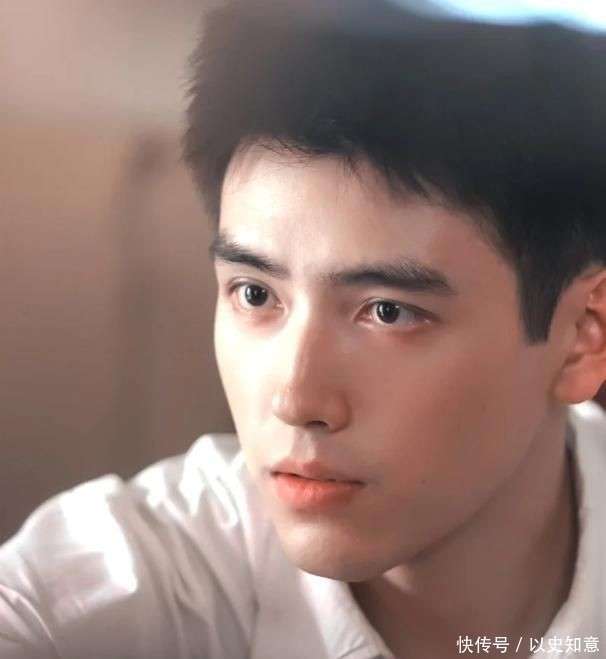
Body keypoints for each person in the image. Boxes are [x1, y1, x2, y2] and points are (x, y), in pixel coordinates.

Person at [2, 1, 606, 657]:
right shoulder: (159, 569)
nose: (295, 399)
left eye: (388, 311)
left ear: (584, 334)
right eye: (255, 294)